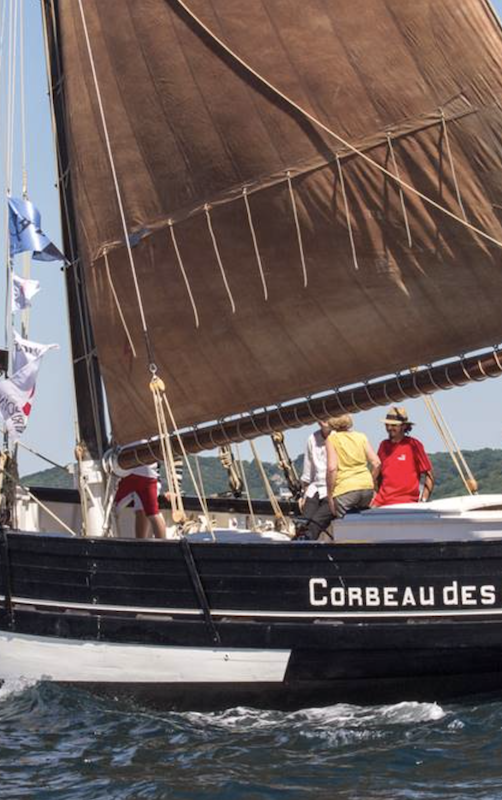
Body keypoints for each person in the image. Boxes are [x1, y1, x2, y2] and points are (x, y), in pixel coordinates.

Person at [372, 406, 434, 507]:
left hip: (407, 503)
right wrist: (375, 495)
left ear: (404, 426)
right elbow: (377, 475)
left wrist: (423, 501)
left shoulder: (414, 444)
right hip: (382, 502)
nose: (389, 428)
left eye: (393, 425)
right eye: (387, 424)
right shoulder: (383, 445)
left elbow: (429, 474)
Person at [326, 415, 381, 529]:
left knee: (346, 527)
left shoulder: (332, 439)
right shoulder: (361, 437)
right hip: (366, 487)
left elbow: (332, 468)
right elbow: (376, 463)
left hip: (345, 488)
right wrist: (370, 480)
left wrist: (330, 494)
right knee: (363, 525)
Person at [297, 419, 335, 540]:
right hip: (315, 489)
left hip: (334, 489)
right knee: (302, 523)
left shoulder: (339, 439)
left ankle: (304, 547)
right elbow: (308, 473)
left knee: (315, 524)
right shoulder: (312, 439)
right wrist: (304, 496)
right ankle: (298, 545)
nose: (324, 419)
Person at [115, 462, 166, 539]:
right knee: (152, 513)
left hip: (130, 473)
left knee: (112, 507)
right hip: (149, 474)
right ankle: (163, 547)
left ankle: (140, 544)